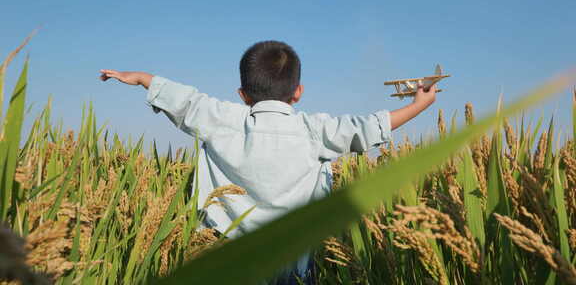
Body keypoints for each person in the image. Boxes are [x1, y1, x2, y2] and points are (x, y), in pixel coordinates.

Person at [99, 40, 436, 284]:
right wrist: (420, 104)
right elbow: (370, 127)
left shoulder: (223, 119)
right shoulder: (315, 130)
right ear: (298, 91)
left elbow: (185, 102)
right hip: (293, 265)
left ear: (243, 94)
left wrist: (142, 77)